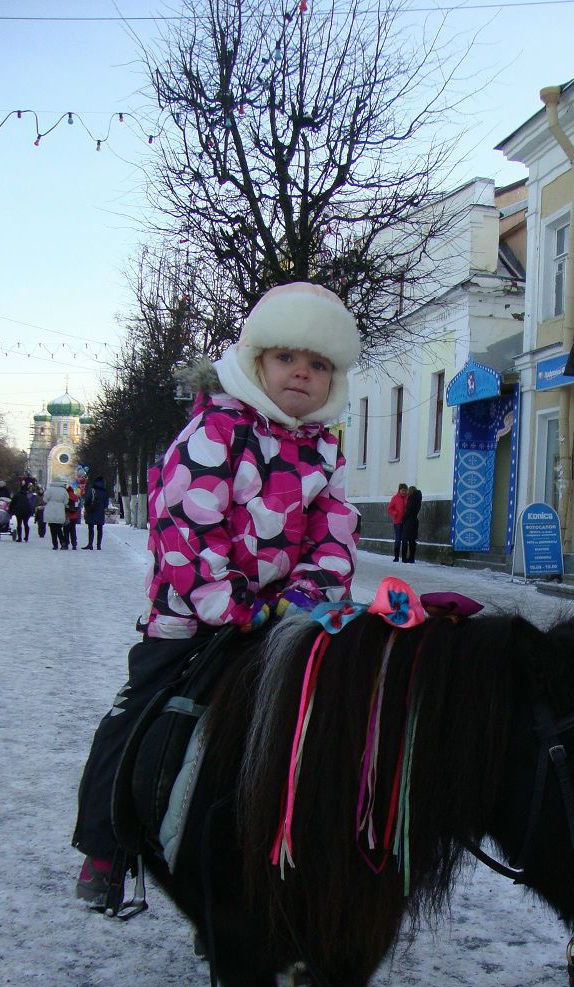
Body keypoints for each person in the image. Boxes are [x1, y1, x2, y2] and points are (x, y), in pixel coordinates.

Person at [73, 280, 361, 908]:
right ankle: (108, 843)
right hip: (194, 616)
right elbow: (188, 528)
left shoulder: (324, 448)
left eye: (318, 365)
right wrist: (234, 607)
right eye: (288, 357)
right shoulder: (216, 430)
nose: (302, 375)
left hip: (284, 618)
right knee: (137, 715)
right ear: (257, 360)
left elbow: (333, 531)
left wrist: (308, 597)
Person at [83, 475, 110, 549]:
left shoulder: (92, 490)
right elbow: (106, 504)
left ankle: (90, 544)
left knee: (90, 528)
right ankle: (98, 545)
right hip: (100, 512)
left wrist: (86, 507)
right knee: (100, 528)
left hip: (91, 511)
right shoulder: (104, 492)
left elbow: (87, 500)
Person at [43, 477, 68, 550]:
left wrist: (50, 502)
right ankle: (62, 541)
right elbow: (66, 501)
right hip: (60, 509)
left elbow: (45, 499)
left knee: (52, 528)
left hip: (51, 509)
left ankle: (55, 544)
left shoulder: (50, 489)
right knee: (58, 528)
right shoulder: (64, 490)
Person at [400, 484, 422, 564]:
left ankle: (404, 558)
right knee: (412, 541)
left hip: (409, 522)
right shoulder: (418, 499)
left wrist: (403, 518)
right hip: (415, 521)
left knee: (405, 540)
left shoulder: (411, 499)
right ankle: (412, 558)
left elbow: (408, 511)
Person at [387, 482, 408, 562]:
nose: (404, 492)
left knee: (405, 540)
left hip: (406, 522)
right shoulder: (395, 498)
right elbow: (390, 508)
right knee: (398, 539)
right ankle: (396, 557)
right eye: (402, 490)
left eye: (405, 490)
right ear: (399, 490)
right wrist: (394, 513)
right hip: (397, 521)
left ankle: (404, 558)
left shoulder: (407, 498)